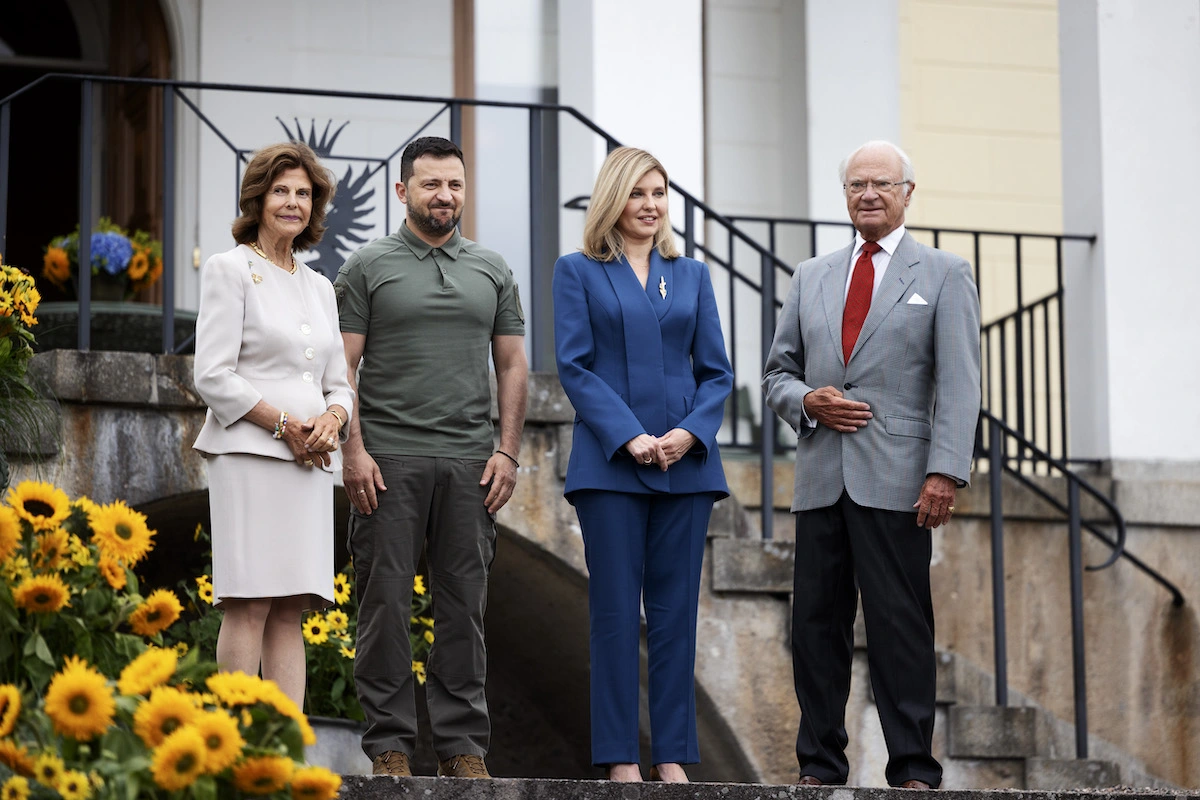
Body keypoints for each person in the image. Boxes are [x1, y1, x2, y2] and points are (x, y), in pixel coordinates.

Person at [762, 140, 981, 789]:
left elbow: (961, 381)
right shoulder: (811, 277)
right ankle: (820, 764)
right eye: (857, 185)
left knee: (900, 627)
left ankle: (912, 767)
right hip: (822, 478)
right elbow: (777, 371)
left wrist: (945, 470)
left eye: (882, 184)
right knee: (814, 629)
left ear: (907, 193)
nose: (868, 195)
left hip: (901, 480)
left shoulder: (944, 273)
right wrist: (806, 399)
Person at [335, 136, 528, 779]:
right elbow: (343, 367)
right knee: (384, 602)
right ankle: (389, 745)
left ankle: (462, 750)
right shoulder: (367, 266)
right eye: (430, 185)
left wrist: (507, 450)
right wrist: (354, 450)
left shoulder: (493, 268)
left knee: (463, 607)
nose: (444, 196)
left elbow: (512, 364)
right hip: (387, 458)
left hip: (472, 462)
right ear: (402, 192)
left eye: (454, 185)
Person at [552, 146, 733, 784]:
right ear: (613, 200)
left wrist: (688, 433)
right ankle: (622, 759)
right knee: (613, 614)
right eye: (637, 193)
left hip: (684, 468)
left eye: (659, 193)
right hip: (611, 468)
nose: (650, 205)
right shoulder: (576, 271)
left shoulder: (690, 275)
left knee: (676, 615)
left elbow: (717, 372)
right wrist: (629, 436)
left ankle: (675, 758)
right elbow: (574, 365)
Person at [193, 141, 353, 708]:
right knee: (250, 601)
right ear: (258, 200)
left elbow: (339, 381)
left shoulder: (318, 286)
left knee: (291, 605)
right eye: (281, 191)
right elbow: (211, 374)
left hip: (309, 462)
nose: (292, 202)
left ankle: (286, 755)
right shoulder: (228, 269)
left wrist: (333, 419)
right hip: (250, 455)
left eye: (303, 194)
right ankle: (233, 745)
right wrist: (285, 424)